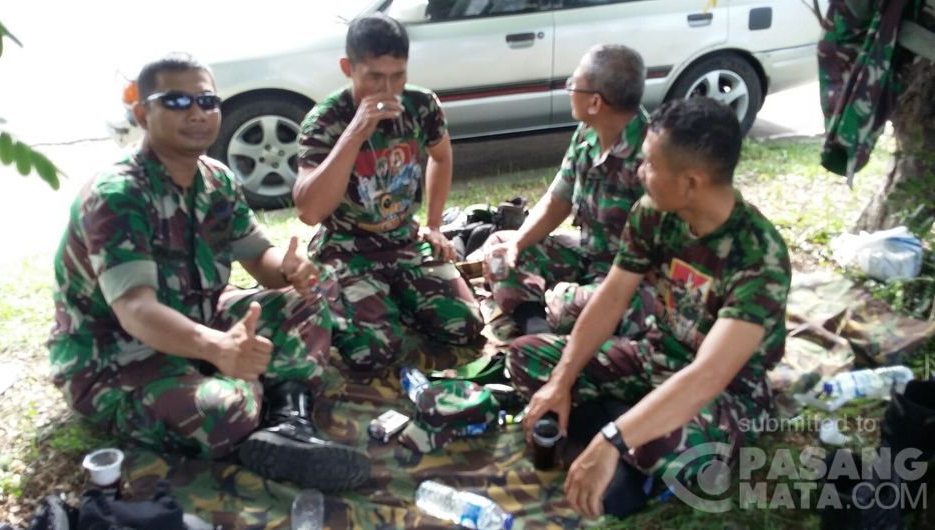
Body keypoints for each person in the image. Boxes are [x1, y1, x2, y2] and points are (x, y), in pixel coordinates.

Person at [48, 53, 370, 491]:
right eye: (177, 102)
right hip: (117, 356)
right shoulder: (118, 193)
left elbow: (259, 258)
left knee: (310, 298)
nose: (197, 113)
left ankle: (287, 423)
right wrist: (217, 348)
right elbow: (135, 311)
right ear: (142, 114)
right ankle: (258, 402)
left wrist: (290, 268)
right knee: (224, 414)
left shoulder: (217, 179)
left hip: (200, 318)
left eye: (207, 101)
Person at [512, 97, 792, 519]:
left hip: (725, 394)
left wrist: (611, 438)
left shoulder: (759, 257)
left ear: (691, 182)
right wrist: (560, 380)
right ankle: (624, 435)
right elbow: (611, 299)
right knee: (528, 357)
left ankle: (618, 438)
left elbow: (707, 377)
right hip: (655, 356)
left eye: (650, 164)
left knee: (671, 447)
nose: (640, 172)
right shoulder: (653, 214)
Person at [294, 14, 483, 371]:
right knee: (372, 351)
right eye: (375, 77)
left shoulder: (420, 105)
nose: (388, 89)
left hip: (403, 239)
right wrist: (355, 132)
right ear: (348, 68)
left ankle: (392, 298)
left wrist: (434, 225)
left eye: (398, 76)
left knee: (465, 325)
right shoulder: (326, 120)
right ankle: (347, 297)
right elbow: (309, 211)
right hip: (347, 247)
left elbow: (441, 156)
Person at [482, 44, 650, 338]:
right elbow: (557, 201)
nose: (569, 90)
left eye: (574, 84)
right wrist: (517, 244)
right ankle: (538, 327)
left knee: (574, 303)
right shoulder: (587, 133)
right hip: (588, 255)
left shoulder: (652, 154)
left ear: (595, 102)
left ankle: (545, 321)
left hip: (630, 278)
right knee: (501, 248)